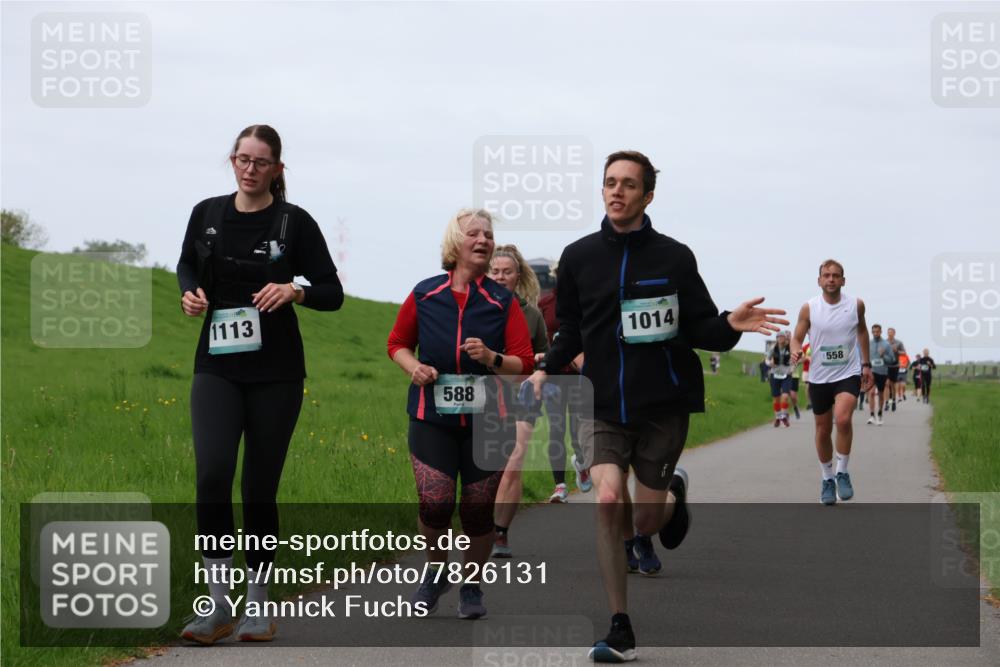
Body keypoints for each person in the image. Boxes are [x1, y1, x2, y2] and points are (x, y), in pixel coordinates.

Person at [527, 150, 787, 662]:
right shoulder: (579, 257)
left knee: (645, 521)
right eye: (610, 182)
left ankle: (671, 500)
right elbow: (571, 328)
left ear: (648, 195)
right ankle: (619, 626)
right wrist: (544, 368)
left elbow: (701, 326)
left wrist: (729, 325)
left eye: (628, 184)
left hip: (662, 405)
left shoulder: (674, 257)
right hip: (600, 402)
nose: (617, 191)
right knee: (607, 500)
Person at [176, 124, 344, 644]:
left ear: (277, 169)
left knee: (257, 487)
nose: (250, 169)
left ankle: (258, 604)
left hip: (276, 372)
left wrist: (295, 291)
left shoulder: (294, 222)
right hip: (217, 365)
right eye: (242, 159)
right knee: (212, 474)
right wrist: (189, 294)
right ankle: (217, 605)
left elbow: (332, 292)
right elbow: (186, 266)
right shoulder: (207, 214)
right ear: (232, 161)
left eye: (261, 162)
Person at [387, 208, 534, 620]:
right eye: (474, 233)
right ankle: (436, 571)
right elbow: (397, 343)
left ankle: (471, 584)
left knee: (477, 510)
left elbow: (523, 364)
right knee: (435, 503)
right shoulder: (425, 294)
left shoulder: (502, 302)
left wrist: (491, 358)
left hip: (490, 421)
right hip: (431, 415)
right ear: (455, 241)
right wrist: (413, 368)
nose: (483, 240)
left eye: (488, 234)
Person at [790, 259, 874, 506]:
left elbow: (862, 332)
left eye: (836, 275)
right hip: (819, 377)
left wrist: (866, 364)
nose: (831, 279)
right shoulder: (809, 308)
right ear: (819, 280)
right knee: (823, 429)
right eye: (826, 275)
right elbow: (797, 337)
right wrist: (795, 350)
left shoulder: (856, 305)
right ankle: (827, 478)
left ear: (843, 280)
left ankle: (842, 472)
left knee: (844, 419)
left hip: (848, 372)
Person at [488, 245, 550, 559]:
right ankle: (480, 526)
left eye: (507, 272)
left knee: (513, 462)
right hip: (484, 394)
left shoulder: (532, 315)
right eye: (495, 271)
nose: (500, 277)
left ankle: (500, 532)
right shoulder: (474, 308)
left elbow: (546, 357)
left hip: (521, 394)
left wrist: (539, 365)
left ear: (518, 276)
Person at [537, 265, 591, 497]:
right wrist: (542, 356)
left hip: (580, 376)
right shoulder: (545, 303)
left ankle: (581, 463)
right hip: (554, 376)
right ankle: (559, 485)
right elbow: (541, 337)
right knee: (556, 429)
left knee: (578, 427)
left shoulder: (586, 302)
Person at [866, 324, 895, 426]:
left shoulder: (886, 344)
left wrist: (883, 356)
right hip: (871, 371)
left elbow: (892, 360)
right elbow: (864, 357)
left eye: (877, 331)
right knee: (871, 393)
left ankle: (880, 414)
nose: (875, 333)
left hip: (882, 372)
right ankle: (872, 415)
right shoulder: (869, 343)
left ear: (881, 332)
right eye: (873, 332)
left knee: (880, 394)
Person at [767, 331, 795, 427]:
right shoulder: (773, 348)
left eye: (782, 337)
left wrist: (792, 368)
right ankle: (778, 417)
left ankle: (784, 416)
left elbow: (795, 359)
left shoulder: (790, 348)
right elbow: (766, 359)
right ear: (777, 339)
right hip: (775, 374)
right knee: (776, 398)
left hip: (786, 375)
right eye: (779, 337)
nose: (781, 339)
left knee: (785, 396)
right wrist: (769, 363)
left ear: (785, 338)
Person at [886, 328, 907, 408]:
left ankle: (893, 401)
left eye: (891, 332)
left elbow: (904, 353)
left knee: (892, 385)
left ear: (894, 333)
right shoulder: (884, 342)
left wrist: (897, 351)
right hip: (886, 365)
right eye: (888, 332)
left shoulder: (899, 342)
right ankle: (887, 402)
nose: (890, 334)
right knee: (886, 384)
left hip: (895, 366)